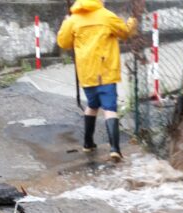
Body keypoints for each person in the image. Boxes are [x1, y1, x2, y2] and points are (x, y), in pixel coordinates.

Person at [57, 0, 137, 161]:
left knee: (92, 105)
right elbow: (125, 33)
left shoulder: (74, 19)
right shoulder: (106, 16)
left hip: (86, 74)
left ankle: (88, 143)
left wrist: (66, 23)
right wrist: (132, 21)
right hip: (106, 72)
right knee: (109, 109)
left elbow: (63, 43)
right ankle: (115, 148)